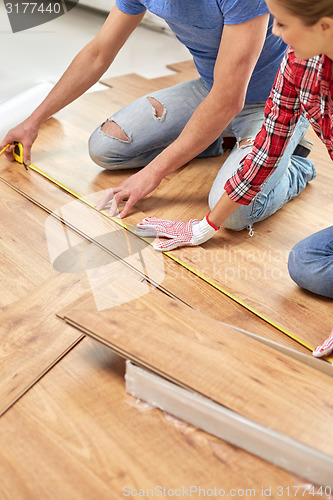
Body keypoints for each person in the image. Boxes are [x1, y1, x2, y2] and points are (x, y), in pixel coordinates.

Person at [1, 1, 313, 230]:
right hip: (211, 88)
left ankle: (295, 165)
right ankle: (220, 140)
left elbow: (229, 99)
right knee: (105, 148)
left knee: (234, 213)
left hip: (276, 102)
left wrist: (153, 173)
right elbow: (98, 53)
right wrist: (33, 121)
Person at [137, 0, 333, 357]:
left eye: (283, 24)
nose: (274, 32)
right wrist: (206, 225)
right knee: (306, 264)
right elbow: (266, 148)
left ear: (325, 26)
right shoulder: (296, 63)